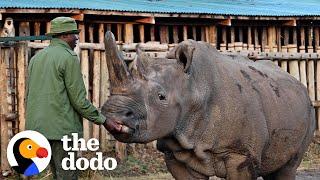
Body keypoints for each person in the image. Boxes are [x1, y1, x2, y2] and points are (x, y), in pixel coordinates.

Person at [25, 17, 106, 180]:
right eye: (74, 34)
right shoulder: (68, 57)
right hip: (62, 131)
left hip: (38, 130)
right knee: (67, 176)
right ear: (63, 36)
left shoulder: (36, 59)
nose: (76, 38)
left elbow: (29, 96)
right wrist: (103, 120)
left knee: (53, 174)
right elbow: (79, 100)